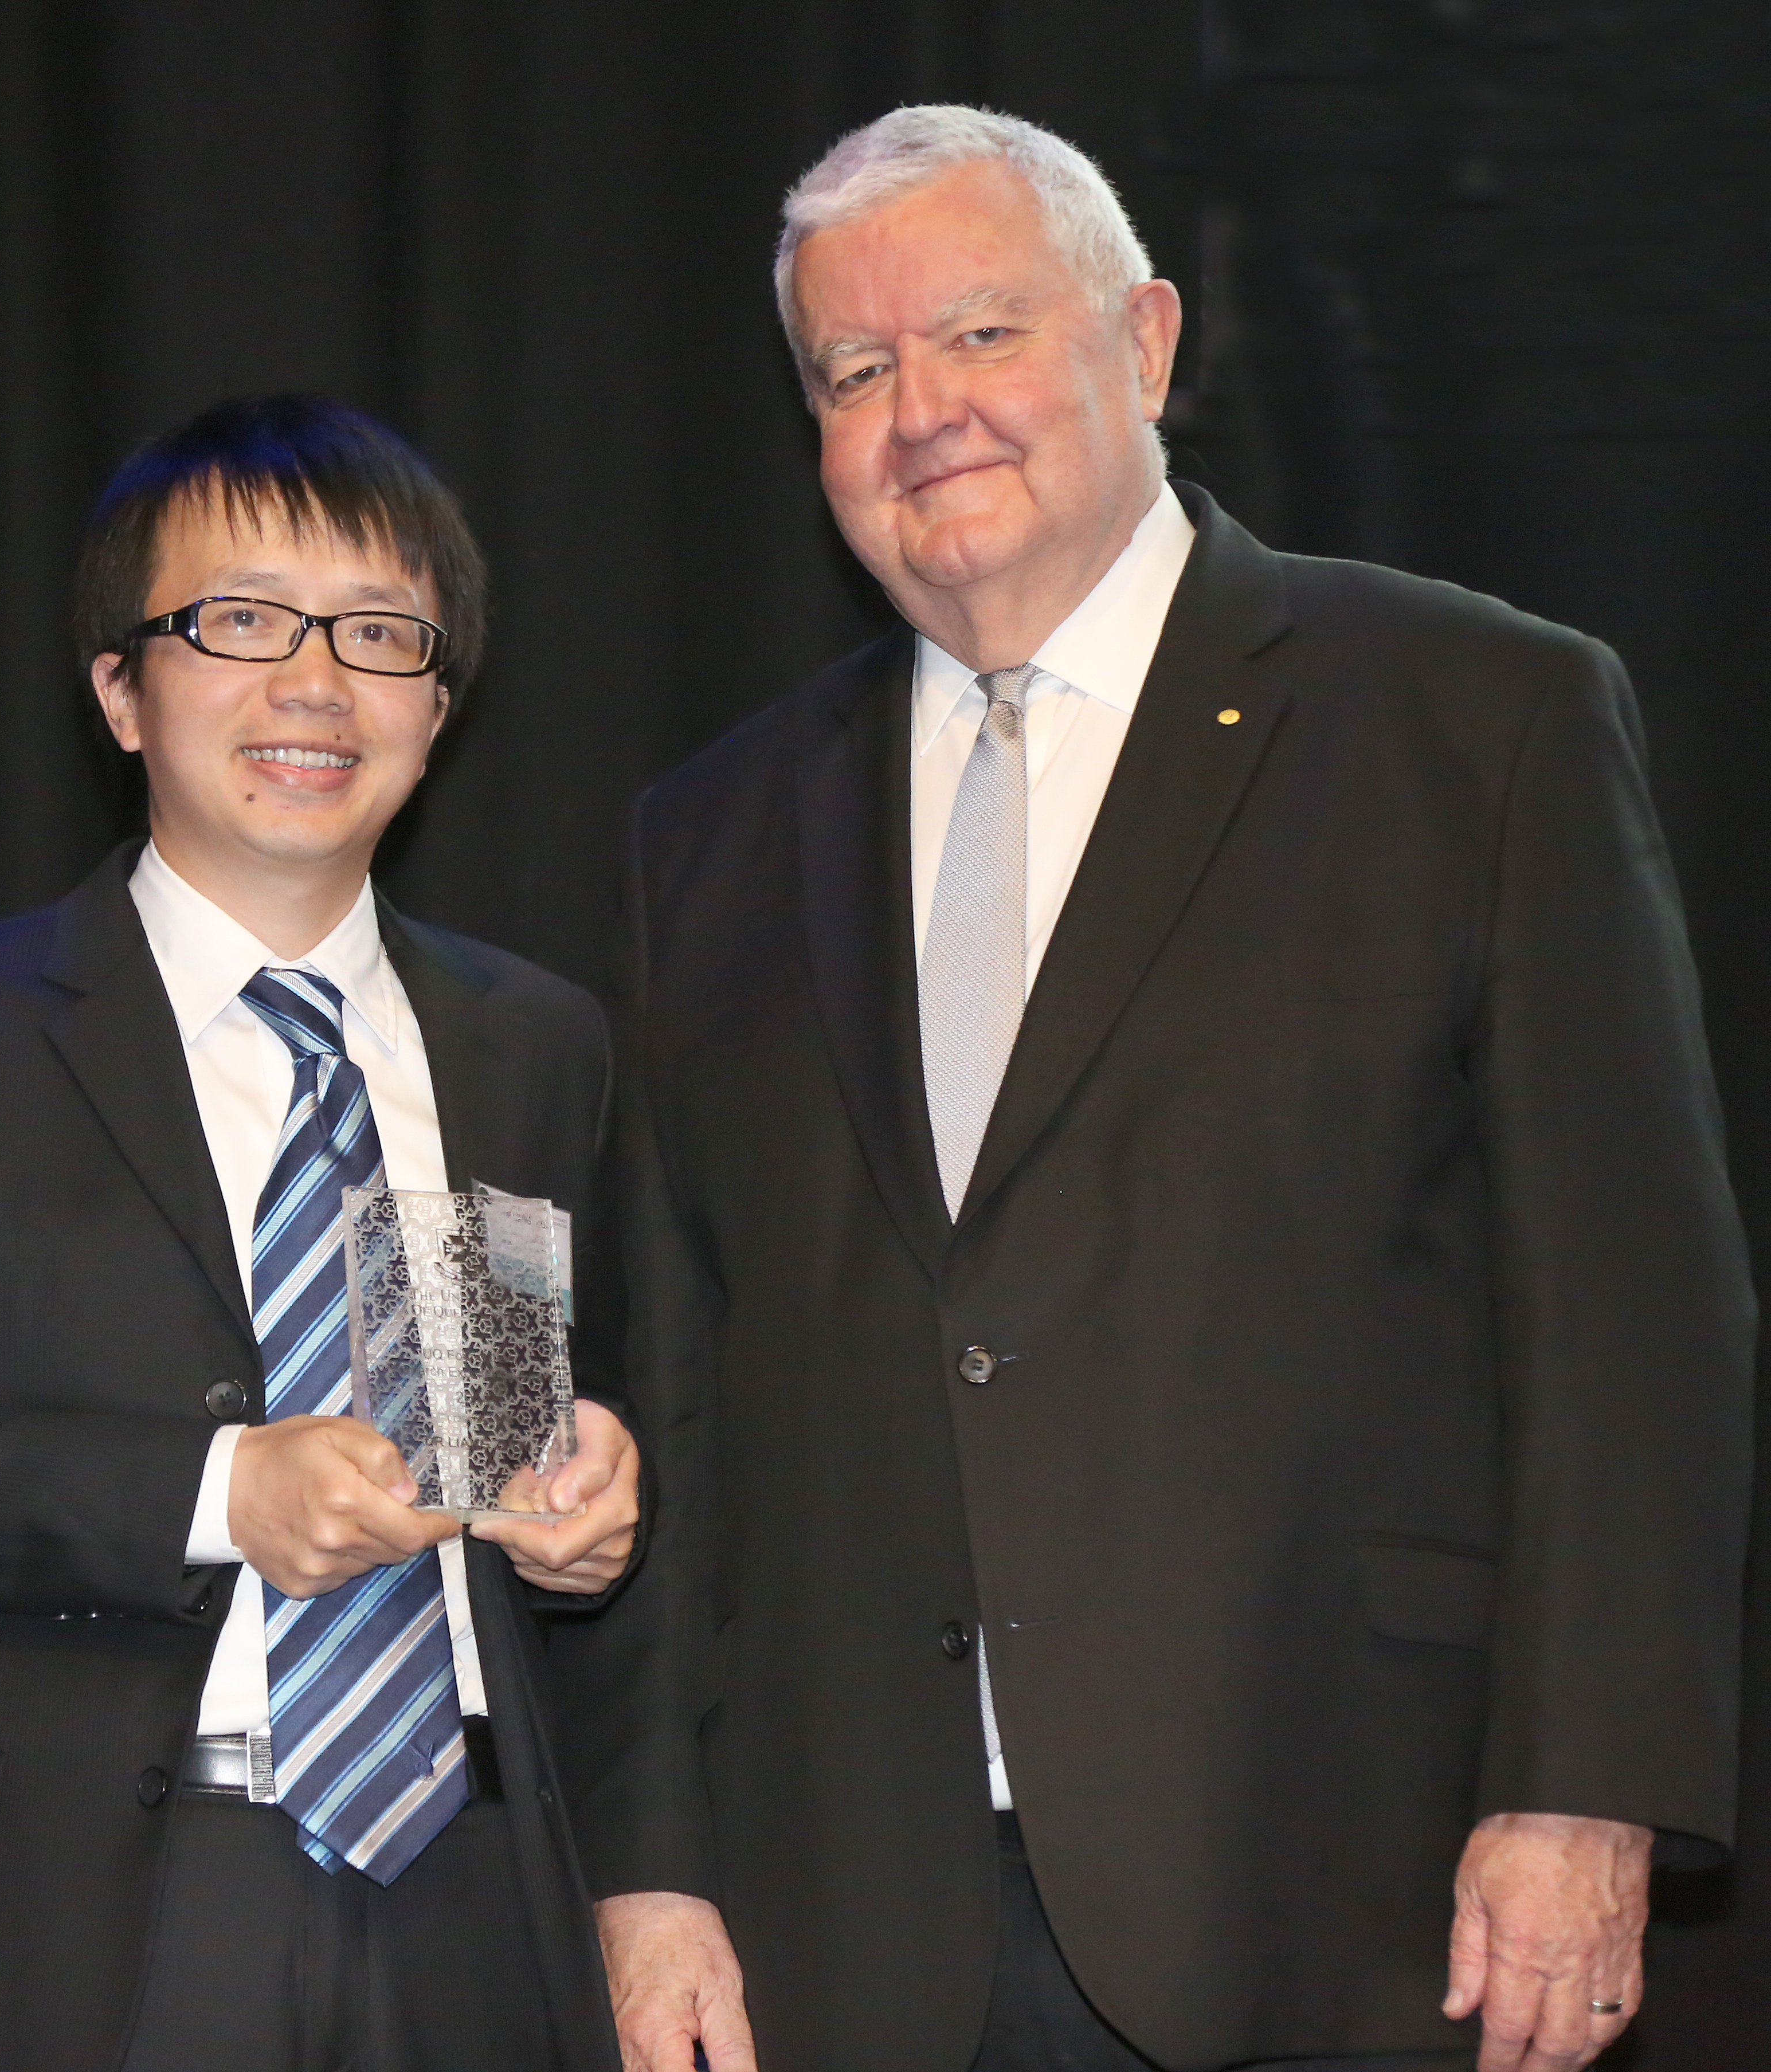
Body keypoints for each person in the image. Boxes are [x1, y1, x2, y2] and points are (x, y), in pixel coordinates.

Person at [565, 105, 1753, 2072]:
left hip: (1357, 1895)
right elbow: (667, 1376)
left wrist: (1583, 1789)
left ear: (1147, 344)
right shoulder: (709, 836)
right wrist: (654, 1869)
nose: (920, 409)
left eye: (979, 334)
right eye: (853, 374)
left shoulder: (1478, 718)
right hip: (845, 1927)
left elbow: (1635, 1315)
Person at [0, 394, 637, 2072]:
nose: (312, 683)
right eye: (240, 623)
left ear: (438, 706)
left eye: (378, 634)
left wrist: (578, 1519)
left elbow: (503, 1433)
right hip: (98, 1918)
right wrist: (223, 1497)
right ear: (120, 690)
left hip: (475, 1898)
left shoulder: (532, 1043)